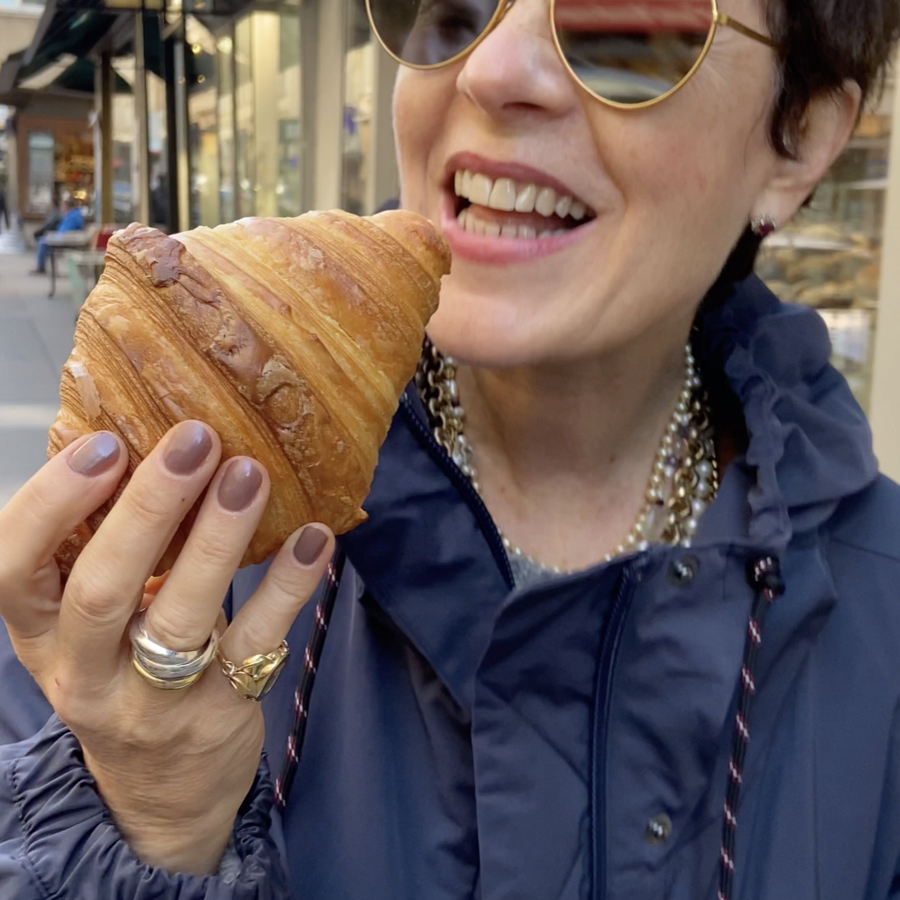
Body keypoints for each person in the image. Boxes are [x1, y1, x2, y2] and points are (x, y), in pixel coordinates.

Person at [1, 0, 900, 897]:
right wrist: (156, 830)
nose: (489, 70)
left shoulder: (880, 612)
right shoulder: (137, 584)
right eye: (449, 10)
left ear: (802, 140)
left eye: (626, 29)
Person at [29, 196, 84, 275]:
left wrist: (56, 237)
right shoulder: (71, 215)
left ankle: (40, 267)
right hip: (66, 238)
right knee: (43, 240)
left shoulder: (72, 217)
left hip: (67, 239)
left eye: (62, 206)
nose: (61, 208)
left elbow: (66, 230)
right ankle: (41, 265)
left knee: (42, 242)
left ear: (67, 206)